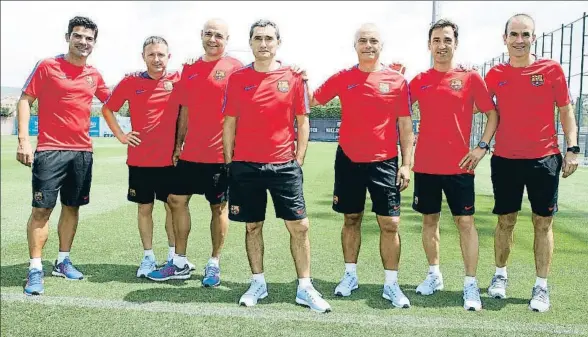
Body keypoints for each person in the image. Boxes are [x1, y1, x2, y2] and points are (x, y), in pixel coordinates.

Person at [222, 19, 331, 313]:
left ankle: (305, 287)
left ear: (278, 43)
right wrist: (230, 161)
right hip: (245, 166)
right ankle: (258, 282)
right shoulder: (236, 78)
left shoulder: (293, 76)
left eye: (269, 38)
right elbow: (229, 121)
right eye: (258, 38)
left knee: (299, 226)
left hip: (284, 165)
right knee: (253, 226)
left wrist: (299, 158)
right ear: (251, 43)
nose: (263, 43)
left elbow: (302, 120)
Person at [307, 23, 414, 308]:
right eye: (363, 41)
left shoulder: (397, 81)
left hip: (385, 162)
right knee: (351, 219)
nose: (368, 45)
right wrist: (296, 77)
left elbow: (405, 125)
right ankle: (350, 276)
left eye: (374, 41)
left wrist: (407, 164)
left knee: (390, 223)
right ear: (355, 45)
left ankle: (391, 284)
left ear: (382, 46)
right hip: (349, 160)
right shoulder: (344, 77)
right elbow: (313, 99)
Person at [484, 13, 579, 312]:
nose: (519, 40)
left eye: (526, 35)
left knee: (543, 222)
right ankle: (500, 276)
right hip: (505, 160)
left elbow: (565, 111)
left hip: (544, 159)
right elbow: (480, 108)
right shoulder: (494, 75)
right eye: (514, 34)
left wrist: (573, 148)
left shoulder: (550, 69)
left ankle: (541, 287)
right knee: (506, 221)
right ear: (505, 38)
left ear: (533, 38)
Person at [408, 19, 498, 311]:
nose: (442, 45)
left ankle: (470, 283)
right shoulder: (419, 79)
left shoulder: (471, 77)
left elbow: (491, 114)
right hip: (426, 165)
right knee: (429, 221)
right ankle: (434, 275)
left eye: (447, 40)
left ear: (455, 44)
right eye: (436, 40)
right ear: (429, 44)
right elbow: (394, 104)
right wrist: (394, 75)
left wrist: (481, 147)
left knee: (465, 223)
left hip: (460, 166)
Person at [17, 16, 111, 295]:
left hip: (82, 153)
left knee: (72, 207)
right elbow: (25, 99)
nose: (83, 42)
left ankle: (63, 261)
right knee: (41, 210)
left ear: (95, 42)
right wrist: (24, 141)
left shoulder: (94, 74)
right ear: (68, 37)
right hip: (49, 150)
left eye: (89, 38)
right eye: (78, 36)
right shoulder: (48, 66)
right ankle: (35, 268)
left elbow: (115, 99)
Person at [146, 19, 242, 285]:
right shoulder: (189, 68)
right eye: (208, 34)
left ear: (227, 39)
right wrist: (178, 144)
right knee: (176, 201)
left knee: (218, 208)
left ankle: (214, 263)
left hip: (220, 155)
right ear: (201, 35)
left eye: (218, 35)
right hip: (191, 154)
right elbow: (184, 110)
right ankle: (179, 262)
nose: (213, 39)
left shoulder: (237, 68)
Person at [101, 36, 191, 278]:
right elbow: (107, 108)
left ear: (168, 57)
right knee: (144, 208)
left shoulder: (177, 79)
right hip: (140, 159)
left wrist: (193, 64)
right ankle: (148, 257)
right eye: (151, 54)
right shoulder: (130, 81)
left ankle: (174, 257)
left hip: (170, 159)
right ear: (144, 57)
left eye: (161, 54)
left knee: (173, 207)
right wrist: (121, 135)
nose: (156, 59)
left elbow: (197, 92)